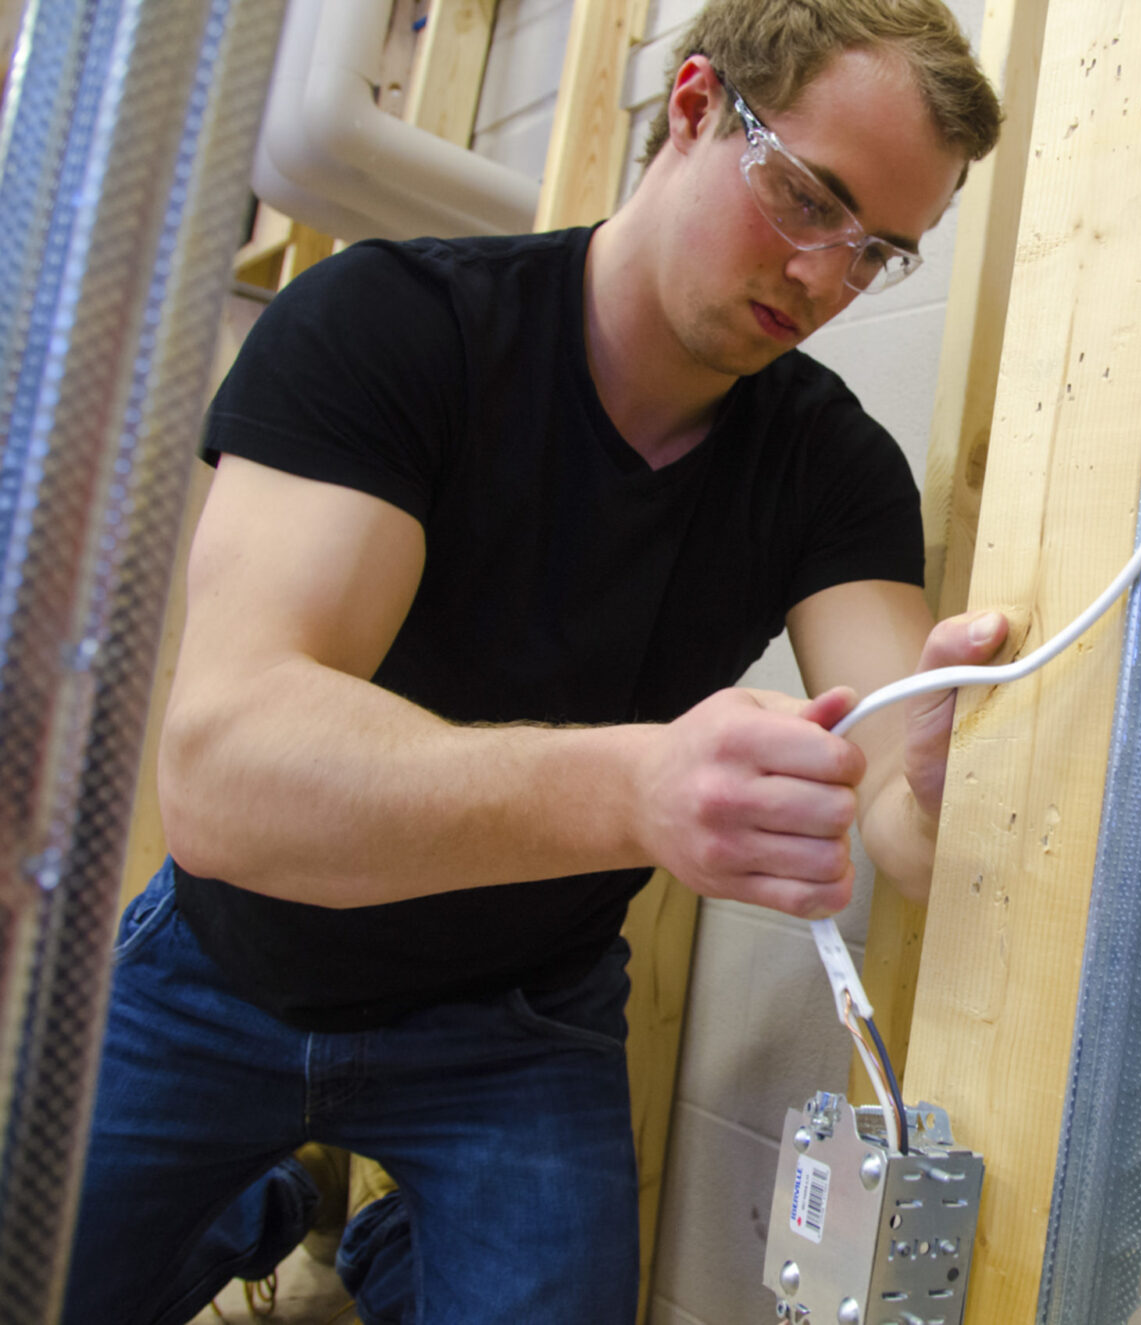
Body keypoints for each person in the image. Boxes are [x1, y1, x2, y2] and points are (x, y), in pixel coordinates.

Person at [63, 1, 1004, 1320]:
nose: (821, 278)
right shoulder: (388, 323)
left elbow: (903, 811)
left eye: (876, 254)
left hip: (516, 1021)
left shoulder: (832, 468)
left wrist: (944, 792)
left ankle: (393, 1240)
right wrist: (638, 789)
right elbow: (226, 776)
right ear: (693, 106)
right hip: (228, 966)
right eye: (806, 198)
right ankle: (260, 1202)